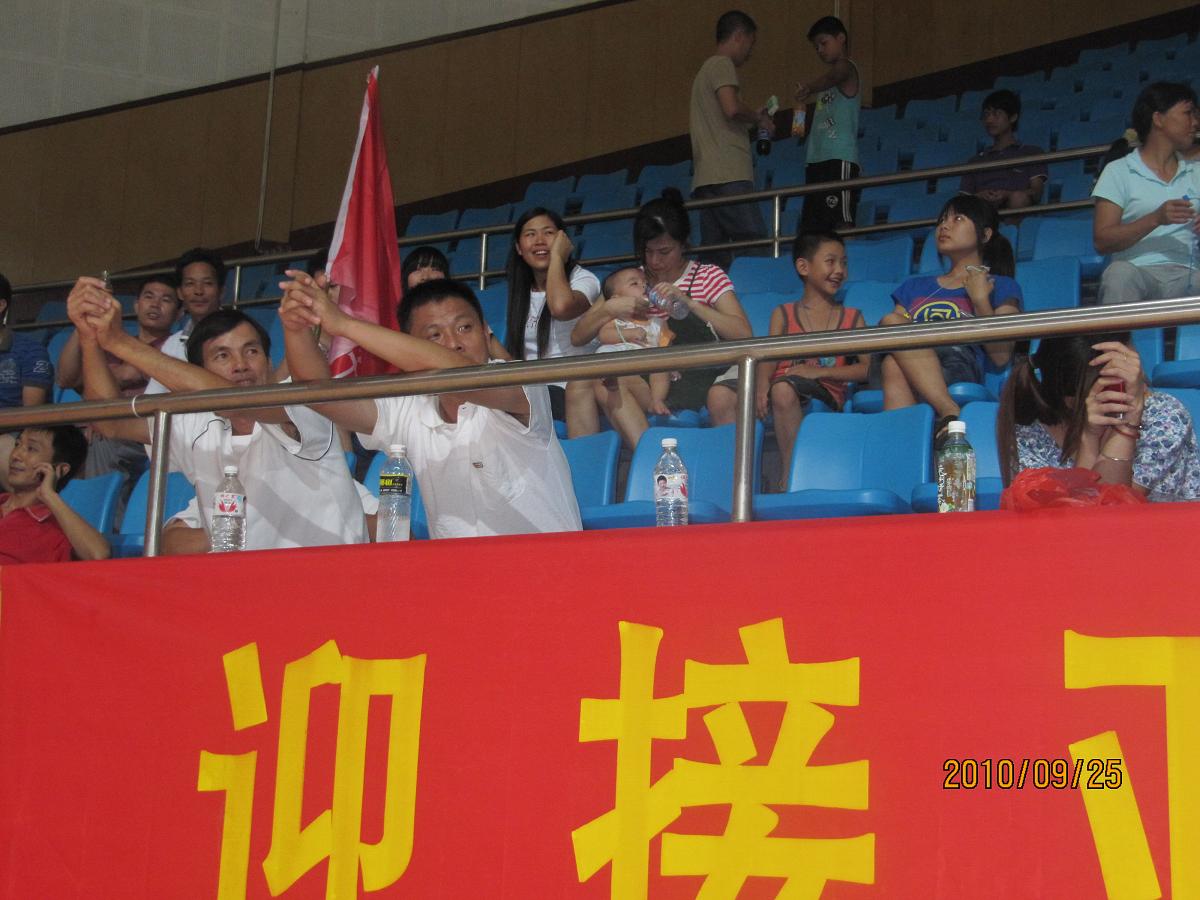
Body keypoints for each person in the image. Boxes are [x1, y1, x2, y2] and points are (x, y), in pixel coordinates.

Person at [67, 277, 368, 554]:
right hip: (242, 582)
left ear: (268, 360)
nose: (241, 365)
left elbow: (235, 402)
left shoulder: (301, 403)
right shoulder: (194, 421)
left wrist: (118, 341)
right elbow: (111, 422)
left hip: (323, 576)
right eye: (222, 356)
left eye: (251, 351)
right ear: (198, 372)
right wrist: (90, 337)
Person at [279, 275, 582, 538]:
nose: (453, 343)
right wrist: (296, 328)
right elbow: (320, 395)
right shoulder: (407, 407)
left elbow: (457, 374)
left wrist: (344, 324)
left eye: (464, 328)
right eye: (434, 336)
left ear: (486, 330)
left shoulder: (520, 381)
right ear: (410, 347)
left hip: (548, 575)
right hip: (461, 581)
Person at [572, 189, 752, 449]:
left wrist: (690, 303)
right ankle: (648, 459)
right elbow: (578, 336)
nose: (655, 261)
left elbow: (743, 333)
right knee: (595, 381)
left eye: (664, 251)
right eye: (648, 251)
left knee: (607, 382)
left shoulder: (707, 275)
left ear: (684, 244)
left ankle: (652, 459)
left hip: (693, 373)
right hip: (645, 376)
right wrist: (610, 308)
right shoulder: (632, 280)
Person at [713, 231, 866, 475]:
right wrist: (761, 385)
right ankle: (737, 481)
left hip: (823, 389)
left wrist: (818, 373)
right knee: (720, 394)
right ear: (803, 267)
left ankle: (789, 476)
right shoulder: (782, 313)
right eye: (831, 262)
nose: (839, 270)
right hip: (781, 384)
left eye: (844, 263)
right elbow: (770, 357)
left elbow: (865, 369)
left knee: (782, 390)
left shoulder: (853, 317)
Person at [878, 195, 1022, 436]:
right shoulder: (913, 286)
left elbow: (1001, 356)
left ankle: (906, 450)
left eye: (958, 219)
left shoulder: (1001, 285)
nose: (944, 226)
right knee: (892, 341)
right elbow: (894, 335)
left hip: (958, 361)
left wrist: (980, 300)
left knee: (894, 363)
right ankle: (949, 412)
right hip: (913, 360)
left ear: (985, 235)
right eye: (942, 220)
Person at [997, 333, 1200, 502]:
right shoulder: (1029, 434)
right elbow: (1086, 517)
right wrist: (1089, 439)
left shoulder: (1165, 415)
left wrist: (1127, 423)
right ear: (1071, 398)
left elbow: (1116, 506)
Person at [56, 274, 182, 478]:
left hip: (134, 433)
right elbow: (65, 378)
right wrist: (84, 322)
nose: (155, 304)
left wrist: (98, 407)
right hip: (91, 427)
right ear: (136, 305)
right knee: (48, 442)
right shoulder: (112, 342)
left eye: (166, 300)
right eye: (149, 296)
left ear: (179, 313)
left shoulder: (175, 347)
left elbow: (125, 375)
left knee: (106, 436)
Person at [1093, 82, 1200, 305]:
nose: (1195, 122)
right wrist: (1156, 218)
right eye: (1188, 113)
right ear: (1158, 119)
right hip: (1138, 272)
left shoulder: (1197, 172)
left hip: (1190, 274)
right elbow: (1102, 241)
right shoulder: (1118, 171)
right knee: (1119, 274)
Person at [502, 207, 601, 436]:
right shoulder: (520, 291)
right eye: (530, 234)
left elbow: (561, 307)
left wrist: (557, 257)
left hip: (573, 388)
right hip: (534, 389)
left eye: (548, 233)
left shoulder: (583, 279)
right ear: (519, 248)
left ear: (562, 240)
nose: (539, 241)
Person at [689, 9, 774, 269]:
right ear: (739, 36)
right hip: (728, 174)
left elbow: (728, 114)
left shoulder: (705, 71)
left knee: (714, 256)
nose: (750, 51)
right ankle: (762, 291)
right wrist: (759, 119)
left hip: (706, 177)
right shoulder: (722, 64)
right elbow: (732, 108)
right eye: (751, 42)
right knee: (754, 244)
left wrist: (752, 117)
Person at [580, 267, 674, 439]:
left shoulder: (658, 322)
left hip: (646, 365)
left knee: (661, 363)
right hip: (619, 359)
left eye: (646, 283)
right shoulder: (614, 321)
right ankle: (609, 375)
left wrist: (672, 365)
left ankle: (657, 399)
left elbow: (666, 345)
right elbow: (604, 336)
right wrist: (628, 334)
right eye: (634, 284)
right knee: (603, 353)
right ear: (616, 299)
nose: (644, 287)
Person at [0, 425, 110, 563]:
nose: (15, 455)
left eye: (31, 448)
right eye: (17, 444)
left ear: (60, 469)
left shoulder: (56, 527)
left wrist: (49, 495)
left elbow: (99, 555)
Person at [795, 16, 861, 231]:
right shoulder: (824, 87)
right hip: (816, 159)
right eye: (816, 47)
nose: (820, 50)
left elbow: (835, 75)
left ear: (841, 38)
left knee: (841, 220)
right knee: (815, 226)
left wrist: (808, 88)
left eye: (824, 43)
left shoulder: (847, 68)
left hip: (838, 157)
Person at [144, 247, 227, 394]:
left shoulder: (240, 334)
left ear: (221, 291)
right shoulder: (172, 344)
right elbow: (153, 396)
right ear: (180, 293)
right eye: (190, 284)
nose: (198, 291)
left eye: (207, 283)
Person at [0, 271, 54, 491]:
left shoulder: (30, 350)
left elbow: (31, 413)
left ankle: (20, 510)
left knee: (4, 447)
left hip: (14, 433)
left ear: (1, 305)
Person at [959, 90, 1048, 210]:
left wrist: (1008, 195)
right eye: (986, 115)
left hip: (1018, 212)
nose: (989, 120)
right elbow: (961, 202)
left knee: (1018, 197)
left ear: (1013, 117)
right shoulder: (975, 161)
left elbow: (1036, 192)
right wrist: (979, 196)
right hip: (983, 213)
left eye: (997, 114)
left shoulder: (1031, 152)